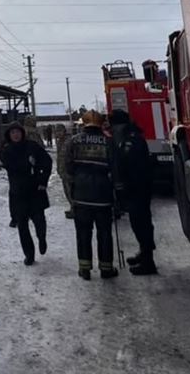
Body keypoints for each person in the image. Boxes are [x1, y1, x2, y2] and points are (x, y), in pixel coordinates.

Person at [65, 111, 118, 280]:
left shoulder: (74, 141)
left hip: (81, 195)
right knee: (104, 233)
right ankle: (106, 268)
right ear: (100, 124)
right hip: (103, 195)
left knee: (83, 233)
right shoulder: (108, 141)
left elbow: (68, 166)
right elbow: (115, 167)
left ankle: (85, 268)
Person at [110, 109, 157, 275]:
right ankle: (144, 253)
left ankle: (148, 261)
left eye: (113, 126)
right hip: (135, 189)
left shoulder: (132, 141)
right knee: (138, 222)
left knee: (141, 223)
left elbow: (131, 166)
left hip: (138, 188)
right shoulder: (127, 138)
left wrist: (123, 184)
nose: (112, 130)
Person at [0, 122, 52, 266]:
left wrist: (42, 180)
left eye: (18, 132)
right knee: (22, 226)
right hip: (18, 192)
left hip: (35, 190)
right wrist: (30, 164)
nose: (15, 135)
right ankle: (29, 254)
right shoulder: (6, 151)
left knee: (39, 220)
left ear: (22, 133)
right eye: (12, 133)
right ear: (9, 135)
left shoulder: (32, 146)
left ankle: (42, 238)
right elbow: (12, 165)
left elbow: (47, 161)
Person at [54, 124, 74, 219]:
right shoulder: (59, 142)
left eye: (60, 131)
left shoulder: (70, 141)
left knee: (71, 191)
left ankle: (75, 209)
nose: (58, 133)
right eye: (57, 131)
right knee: (67, 191)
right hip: (63, 171)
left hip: (69, 171)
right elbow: (59, 157)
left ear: (64, 131)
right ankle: (73, 207)